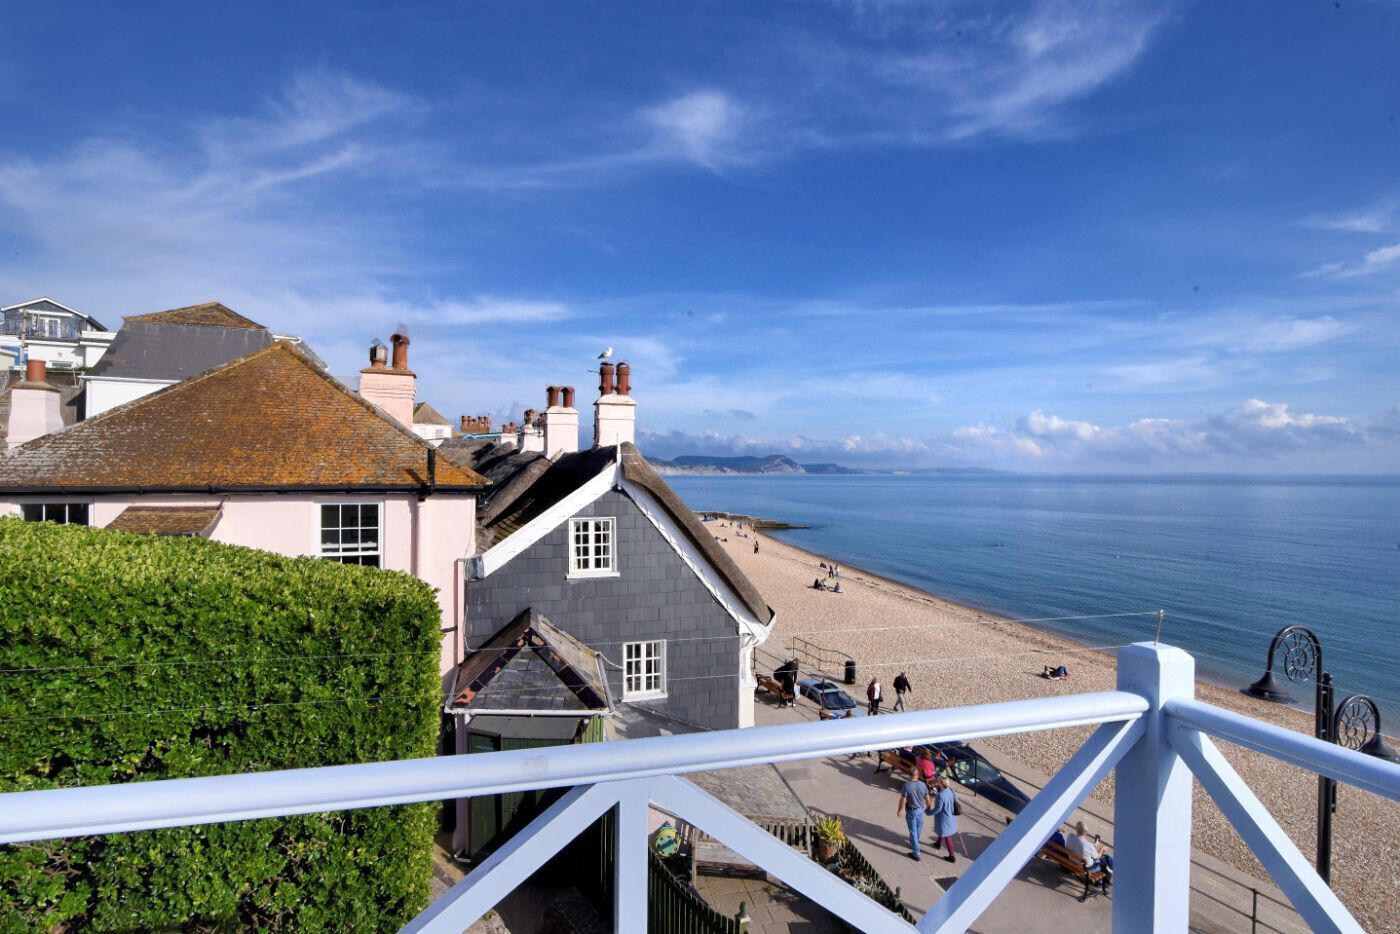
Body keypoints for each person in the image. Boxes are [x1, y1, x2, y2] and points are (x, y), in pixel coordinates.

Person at [895, 771, 931, 861]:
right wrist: (928, 807)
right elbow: (927, 797)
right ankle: (914, 843)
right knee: (918, 829)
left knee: (913, 832)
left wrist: (900, 810)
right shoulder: (923, 784)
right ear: (918, 775)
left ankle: (916, 853)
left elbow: (903, 799)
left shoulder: (906, 786)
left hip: (912, 811)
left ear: (909, 775)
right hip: (921, 811)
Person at [930, 778, 959, 863]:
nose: (936, 782)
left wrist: (929, 812)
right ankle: (938, 843)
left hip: (944, 818)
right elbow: (956, 801)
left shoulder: (940, 795)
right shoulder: (951, 791)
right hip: (951, 816)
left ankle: (951, 856)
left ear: (942, 783)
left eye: (938, 781)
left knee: (947, 835)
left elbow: (937, 810)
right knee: (944, 832)